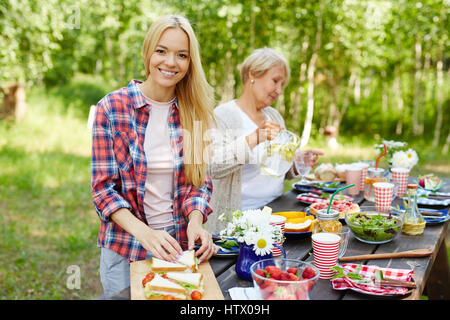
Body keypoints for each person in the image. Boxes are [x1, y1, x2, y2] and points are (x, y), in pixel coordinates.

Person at [91, 14, 219, 298]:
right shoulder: (112, 108)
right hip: (126, 249)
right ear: (148, 52)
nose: (170, 62)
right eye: (162, 51)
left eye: (181, 55)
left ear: (190, 62)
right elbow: (103, 191)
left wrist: (196, 223)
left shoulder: (194, 111)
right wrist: (146, 235)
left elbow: (197, 184)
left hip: (178, 250)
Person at [205, 47, 323, 234]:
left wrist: (297, 163)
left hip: (277, 212)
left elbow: (276, 167)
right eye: (275, 81)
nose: (279, 90)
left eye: (282, 85)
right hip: (237, 222)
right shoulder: (223, 115)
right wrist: (255, 137)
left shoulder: (273, 115)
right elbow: (212, 166)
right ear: (252, 74)